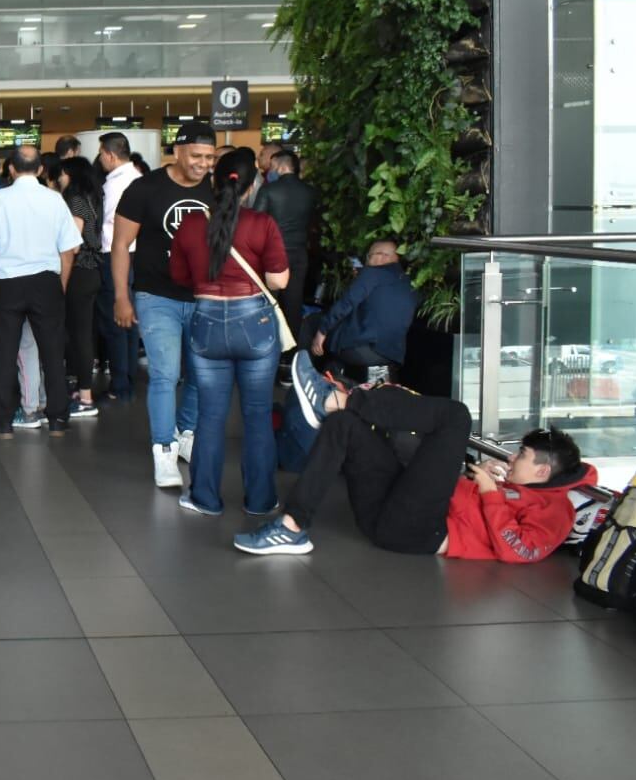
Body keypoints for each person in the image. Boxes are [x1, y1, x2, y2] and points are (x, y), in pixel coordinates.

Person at [236, 362, 596, 560]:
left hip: (420, 531)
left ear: (543, 471)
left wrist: (490, 493)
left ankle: (337, 399)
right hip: (392, 512)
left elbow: (519, 550)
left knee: (456, 417)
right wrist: (475, 480)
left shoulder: (557, 510)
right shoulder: (517, 487)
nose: (513, 458)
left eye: (523, 456)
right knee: (345, 427)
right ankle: (292, 527)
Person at [170, 148, 289, 516]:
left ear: (214, 182)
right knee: (257, 415)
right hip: (255, 324)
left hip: (206, 324)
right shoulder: (261, 223)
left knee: (209, 416)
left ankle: (205, 498)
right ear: (251, 187)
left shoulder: (191, 224)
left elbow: (179, 277)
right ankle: (261, 500)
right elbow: (279, 280)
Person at [112, 120, 217, 488]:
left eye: (209, 158)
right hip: (157, 296)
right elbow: (120, 244)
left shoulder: (216, 189)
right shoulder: (145, 188)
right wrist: (122, 296)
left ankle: (186, 431)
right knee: (165, 374)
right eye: (197, 156)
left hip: (204, 297)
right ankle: (164, 448)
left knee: (201, 375)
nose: (204, 164)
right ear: (177, 151)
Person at [0, 144, 80, 439]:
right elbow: (68, 250)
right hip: (47, 282)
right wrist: (60, 284)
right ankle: (58, 419)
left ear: (10, 168)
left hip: (6, 282)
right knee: (52, 353)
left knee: (4, 355)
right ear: (41, 169)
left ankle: (2, 422)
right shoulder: (55, 200)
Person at [312, 240, 418, 382]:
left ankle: (305, 378)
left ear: (381, 256)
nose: (366, 262)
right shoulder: (409, 282)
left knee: (314, 322)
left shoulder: (372, 273)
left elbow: (346, 303)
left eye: (368, 256)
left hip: (362, 348)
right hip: (393, 355)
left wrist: (321, 331)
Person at [251, 149, 316, 356]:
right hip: (299, 255)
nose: (270, 170)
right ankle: (290, 355)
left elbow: (255, 222)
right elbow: (314, 225)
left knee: (268, 302)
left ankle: (264, 349)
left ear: (280, 166)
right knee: (294, 304)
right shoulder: (310, 192)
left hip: (273, 255)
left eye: (272, 166)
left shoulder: (269, 190)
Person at [94, 132, 140, 401]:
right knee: (129, 321)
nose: (100, 158)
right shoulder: (138, 179)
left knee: (115, 322)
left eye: (101, 153)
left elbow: (107, 226)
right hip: (135, 256)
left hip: (115, 256)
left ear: (110, 155)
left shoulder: (115, 185)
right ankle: (128, 379)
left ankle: (120, 385)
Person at [57, 156, 103, 418]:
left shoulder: (74, 200)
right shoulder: (91, 198)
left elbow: (73, 244)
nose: (60, 178)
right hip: (91, 271)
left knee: (80, 335)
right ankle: (82, 390)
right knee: (81, 332)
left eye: (63, 174)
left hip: (79, 272)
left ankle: (85, 397)